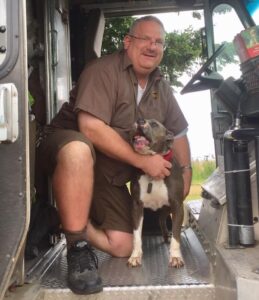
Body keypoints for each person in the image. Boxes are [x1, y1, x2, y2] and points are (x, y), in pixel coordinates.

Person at [37, 15, 192, 295]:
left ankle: (66, 216)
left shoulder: (161, 86)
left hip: (107, 169)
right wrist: (144, 161)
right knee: (78, 149)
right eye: (146, 39)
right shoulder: (103, 70)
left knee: (122, 246)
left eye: (159, 42)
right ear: (128, 41)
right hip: (66, 149)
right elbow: (91, 128)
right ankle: (77, 249)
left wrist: (187, 174)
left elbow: (178, 133)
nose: (152, 46)